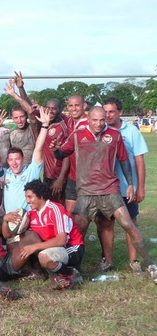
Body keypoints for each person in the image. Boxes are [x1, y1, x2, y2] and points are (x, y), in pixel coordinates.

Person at [53, 106, 157, 283]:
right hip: (85, 192)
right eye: (95, 120)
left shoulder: (115, 135)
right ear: (88, 118)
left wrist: (131, 184)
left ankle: (151, 265)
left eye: (102, 120)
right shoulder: (78, 134)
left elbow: (124, 160)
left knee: (129, 225)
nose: (99, 123)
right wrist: (56, 149)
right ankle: (72, 270)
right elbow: (62, 153)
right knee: (78, 232)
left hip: (110, 190)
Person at [97, 97, 148, 274]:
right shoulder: (100, 130)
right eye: (105, 112)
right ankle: (108, 261)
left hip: (128, 188)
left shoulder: (132, 131)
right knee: (106, 224)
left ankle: (133, 261)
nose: (108, 115)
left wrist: (140, 187)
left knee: (130, 224)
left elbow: (139, 161)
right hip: (106, 189)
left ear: (120, 112)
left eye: (112, 111)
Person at [14, 180, 84, 289]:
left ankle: (70, 272)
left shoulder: (55, 209)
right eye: (26, 197)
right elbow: (8, 235)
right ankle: (49, 272)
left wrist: (34, 247)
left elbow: (61, 240)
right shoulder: (31, 214)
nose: (27, 201)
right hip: (55, 248)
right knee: (26, 236)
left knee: (44, 257)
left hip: (72, 246)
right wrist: (6, 220)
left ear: (41, 196)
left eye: (30, 197)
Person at [1, 105, 50, 214]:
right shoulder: (5, 173)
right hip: (10, 223)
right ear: (8, 161)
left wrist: (45, 125)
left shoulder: (31, 173)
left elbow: (38, 148)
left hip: (28, 221)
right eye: (11, 160)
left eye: (17, 159)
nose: (14, 163)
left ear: (23, 159)